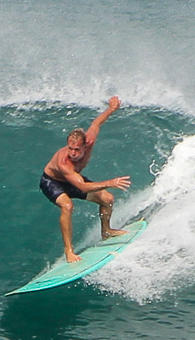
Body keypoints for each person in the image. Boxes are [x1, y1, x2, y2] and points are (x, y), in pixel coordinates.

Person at [39, 96, 132, 263]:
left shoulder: (90, 140)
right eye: (70, 148)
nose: (73, 153)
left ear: (85, 146)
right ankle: (69, 250)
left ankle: (106, 231)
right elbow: (82, 187)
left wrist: (111, 108)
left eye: (76, 149)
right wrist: (109, 183)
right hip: (52, 182)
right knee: (67, 205)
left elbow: (96, 124)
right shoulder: (64, 163)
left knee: (108, 199)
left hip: (74, 179)